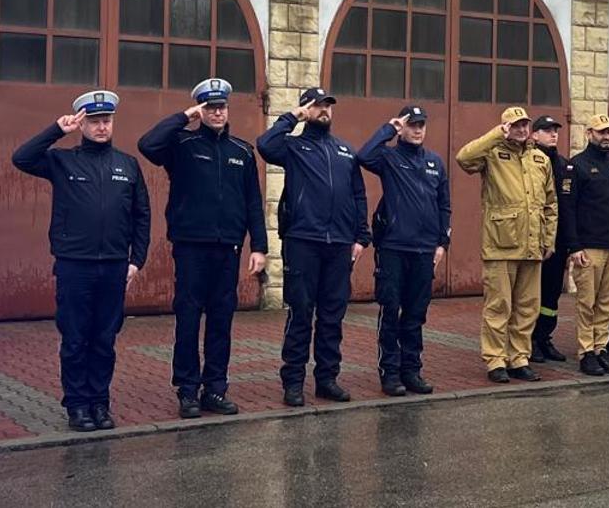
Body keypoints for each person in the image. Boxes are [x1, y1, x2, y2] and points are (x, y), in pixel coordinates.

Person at [10, 90, 150, 432]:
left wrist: (137, 260)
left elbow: (141, 215)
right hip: (75, 265)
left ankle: (100, 403)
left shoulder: (127, 165)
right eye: (94, 121)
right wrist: (57, 129)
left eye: (107, 121)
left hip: (115, 265)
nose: (102, 127)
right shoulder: (62, 161)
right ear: (82, 123)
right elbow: (22, 158)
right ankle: (77, 406)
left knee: (104, 339)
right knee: (75, 338)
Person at [138, 78, 266, 419]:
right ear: (201, 110)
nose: (217, 112)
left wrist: (260, 247)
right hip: (191, 247)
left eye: (221, 106)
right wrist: (184, 116)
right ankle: (188, 391)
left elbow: (253, 202)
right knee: (189, 319)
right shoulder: (182, 144)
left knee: (221, 321)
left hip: (229, 249)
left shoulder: (242, 151)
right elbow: (147, 144)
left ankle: (215, 389)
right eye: (209, 107)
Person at [258, 87, 369, 406]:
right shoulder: (292, 146)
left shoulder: (345, 151)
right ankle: (293, 382)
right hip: (303, 242)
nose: (324, 111)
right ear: (307, 109)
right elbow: (265, 145)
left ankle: (327, 379)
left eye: (327, 106)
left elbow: (358, 195)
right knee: (301, 313)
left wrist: (361, 237)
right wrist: (293, 116)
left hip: (339, 246)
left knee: (333, 315)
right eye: (317, 105)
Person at [456, 106, 558, 383]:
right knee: (499, 306)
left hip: (532, 245)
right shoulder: (492, 153)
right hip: (501, 244)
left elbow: (550, 203)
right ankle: (495, 360)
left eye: (525, 125)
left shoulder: (540, 159)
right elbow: (464, 158)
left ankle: (519, 358)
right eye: (515, 125)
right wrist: (494, 136)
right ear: (505, 127)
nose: (522, 130)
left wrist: (548, 239)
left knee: (527, 307)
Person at [357, 104, 450, 396]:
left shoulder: (434, 162)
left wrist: (441, 243)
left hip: (424, 251)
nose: (418, 129)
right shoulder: (389, 157)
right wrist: (390, 128)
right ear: (403, 128)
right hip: (394, 248)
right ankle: (391, 374)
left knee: (415, 314)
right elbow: (364, 155)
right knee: (391, 310)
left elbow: (443, 205)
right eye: (412, 124)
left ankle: (412, 371)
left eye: (422, 124)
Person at [566, 115, 609, 376]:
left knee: (607, 302)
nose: (607, 137)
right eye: (602, 132)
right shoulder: (577, 167)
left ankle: (600, 348)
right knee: (587, 303)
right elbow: (569, 210)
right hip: (589, 248)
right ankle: (586, 352)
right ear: (589, 133)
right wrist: (574, 247)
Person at [529, 116, 575, 364]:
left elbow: (567, 207)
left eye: (555, 130)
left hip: (556, 242)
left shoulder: (563, 165)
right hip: (533, 240)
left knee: (551, 295)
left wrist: (569, 243)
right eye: (547, 130)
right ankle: (529, 341)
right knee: (530, 295)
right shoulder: (528, 160)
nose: (553, 134)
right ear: (534, 135)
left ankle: (545, 337)